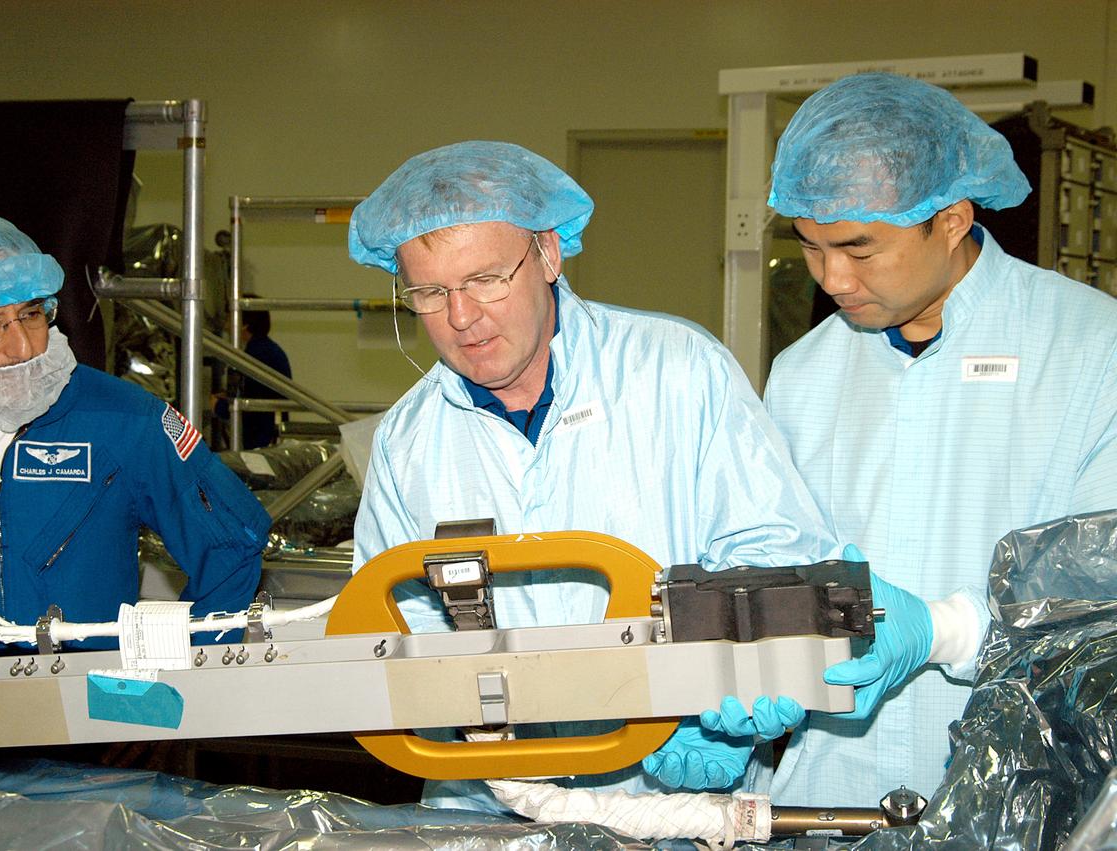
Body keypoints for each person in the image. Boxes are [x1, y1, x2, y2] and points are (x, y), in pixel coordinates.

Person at [346, 140, 843, 813]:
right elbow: (391, 637)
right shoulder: (407, 441)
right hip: (493, 809)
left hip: (678, 805)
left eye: (487, 279)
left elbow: (776, 555)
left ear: (549, 254)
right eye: (431, 293)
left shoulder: (676, 371)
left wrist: (712, 696)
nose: (462, 317)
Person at [723, 72, 1117, 808]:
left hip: (1015, 797)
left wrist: (945, 627)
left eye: (859, 248)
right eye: (810, 247)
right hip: (824, 797)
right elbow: (769, 561)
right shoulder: (803, 373)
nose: (833, 276)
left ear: (953, 218)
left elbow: (1102, 581)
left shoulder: (1091, 349)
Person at [0, 213, 270, 655]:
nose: (22, 346)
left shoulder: (124, 419)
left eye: (31, 314)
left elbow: (233, 544)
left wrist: (170, 673)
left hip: (85, 707)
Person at [215, 306, 292, 448]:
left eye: (228, 317)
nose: (225, 323)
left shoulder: (257, 355)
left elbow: (250, 401)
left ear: (244, 325)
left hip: (260, 439)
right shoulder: (265, 350)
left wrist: (219, 405)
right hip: (265, 435)